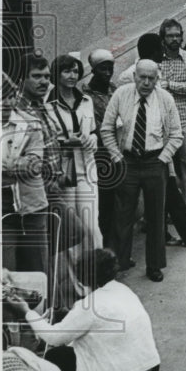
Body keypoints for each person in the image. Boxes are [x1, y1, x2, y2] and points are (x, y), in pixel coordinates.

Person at [6, 248, 160, 371]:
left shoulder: (88, 306)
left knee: (55, 354)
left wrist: (26, 311)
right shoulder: (123, 289)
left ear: (82, 280)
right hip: (149, 370)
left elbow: (53, 338)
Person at [101, 59, 183, 282]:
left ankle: (154, 266)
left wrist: (162, 159)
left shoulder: (165, 99)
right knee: (122, 215)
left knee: (156, 216)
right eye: (142, 77)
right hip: (127, 161)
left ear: (157, 79)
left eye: (151, 78)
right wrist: (117, 157)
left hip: (155, 161)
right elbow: (106, 128)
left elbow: (176, 135)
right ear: (134, 76)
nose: (146, 82)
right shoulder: (121, 95)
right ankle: (119, 262)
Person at [2, 52, 63, 278]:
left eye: (46, 76)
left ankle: (54, 301)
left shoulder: (35, 114)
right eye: (37, 76)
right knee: (11, 270)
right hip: (7, 207)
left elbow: (34, 164)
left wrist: (6, 165)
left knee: (41, 264)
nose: (44, 81)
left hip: (40, 195)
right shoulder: (20, 109)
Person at [46, 53, 101, 249]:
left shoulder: (86, 100)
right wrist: (66, 142)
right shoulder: (48, 105)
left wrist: (92, 139)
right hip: (64, 170)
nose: (72, 75)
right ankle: (76, 277)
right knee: (71, 228)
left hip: (87, 168)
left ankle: (98, 271)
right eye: (67, 71)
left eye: (76, 71)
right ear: (57, 74)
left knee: (91, 225)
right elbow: (45, 141)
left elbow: (93, 130)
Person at [158, 19, 186, 226]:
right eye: (170, 36)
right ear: (163, 38)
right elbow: (157, 88)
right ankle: (171, 212)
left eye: (177, 35)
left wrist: (170, 85)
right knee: (167, 170)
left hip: (185, 119)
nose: (175, 39)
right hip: (162, 124)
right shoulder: (158, 61)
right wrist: (175, 87)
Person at [79, 49, 119, 242]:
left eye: (110, 67)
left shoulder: (114, 88)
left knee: (120, 203)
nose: (108, 72)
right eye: (103, 68)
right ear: (94, 70)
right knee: (106, 204)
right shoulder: (86, 96)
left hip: (119, 151)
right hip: (102, 154)